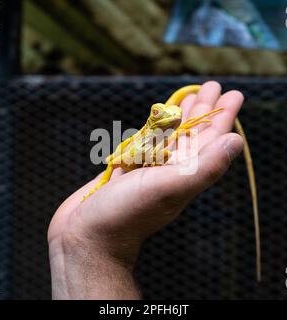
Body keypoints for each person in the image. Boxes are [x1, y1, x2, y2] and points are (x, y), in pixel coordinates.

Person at [47, 81, 244, 299]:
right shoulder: (141, 143)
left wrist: (88, 242)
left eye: (177, 116)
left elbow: (164, 153)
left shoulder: (161, 140)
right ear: (152, 117)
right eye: (159, 112)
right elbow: (116, 161)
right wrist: (103, 185)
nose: (173, 117)